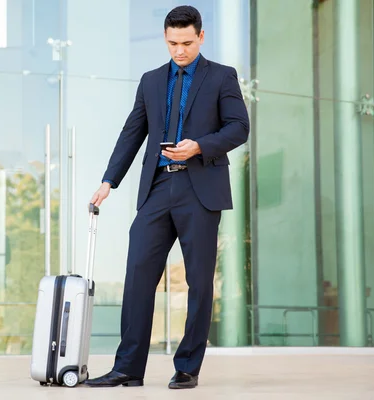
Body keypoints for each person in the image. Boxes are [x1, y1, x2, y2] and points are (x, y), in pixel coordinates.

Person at [84, 5, 250, 390]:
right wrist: (110, 180)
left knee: (199, 282)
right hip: (157, 188)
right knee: (139, 275)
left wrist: (199, 146)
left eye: (187, 43)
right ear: (165, 38)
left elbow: (239, 128)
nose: (180, 50)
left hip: (200, 189)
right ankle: (128, 368)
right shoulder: (151, 80)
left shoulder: (222, 76)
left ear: (201, 37)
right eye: (173, 43)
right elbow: (132, 132)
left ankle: (188, 366)